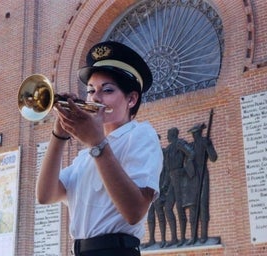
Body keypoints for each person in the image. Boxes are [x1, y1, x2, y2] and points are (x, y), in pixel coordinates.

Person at [36, 41, 163, 256]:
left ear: (131, 99)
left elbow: (134, 211)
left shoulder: (140, 134)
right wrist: (59, 135)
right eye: (90, 90)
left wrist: (97, 144)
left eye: (107, 90)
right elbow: (45, 196)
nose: (95, 98)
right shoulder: (85, 156)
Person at [163, 127, 195, 247]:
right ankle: (174, 238)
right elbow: (166, 168)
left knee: (180, 208)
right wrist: (164, 185)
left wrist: (186, 167)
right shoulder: (168, 149)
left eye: (169, 134)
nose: (167, 136)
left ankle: (182, 238)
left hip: (180, 178)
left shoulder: (180, 144)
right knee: (167, 207)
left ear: (173, 134)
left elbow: (191, 153)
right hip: (171, 179)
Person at [187, 123, 217, 244]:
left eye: (196, 133)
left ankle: (203, 234)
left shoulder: (205, 142)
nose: (195, 136)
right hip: (193, 176)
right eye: (194, 134)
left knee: (203, 204)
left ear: (200, 133)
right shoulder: (191, 146)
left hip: (203, 173)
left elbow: (213, 158)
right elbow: (186, 163)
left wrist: (208, 146)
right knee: (193, 206)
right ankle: (193, 236)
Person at [142, 135, 168, 248]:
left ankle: (163, 239)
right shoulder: (144, 157)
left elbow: (168, 172)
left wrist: (163, 187)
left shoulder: (163, 154)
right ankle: (152, 239)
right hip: (147, 191)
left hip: (159, 189)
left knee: (160, 214)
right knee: (150, 216)